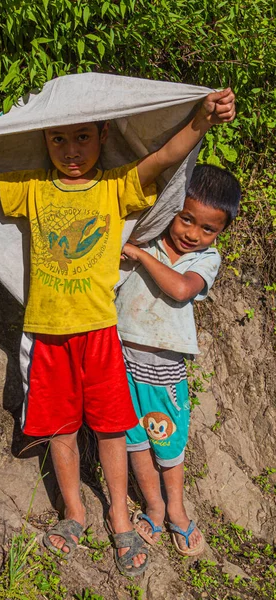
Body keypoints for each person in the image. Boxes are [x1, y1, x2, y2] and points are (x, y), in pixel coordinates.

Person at [0, 87, 235, 575]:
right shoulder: (32, 187)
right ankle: (74, 512)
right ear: (44, 140)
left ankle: (121, 518)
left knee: (111, 428)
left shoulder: (116, 186)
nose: (70, 150)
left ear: (102, 135)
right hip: (47, 334)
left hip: (101, 333)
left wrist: (203, 119)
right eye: (59, 138)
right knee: (62, 427)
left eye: (82, 137)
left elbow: (166, 156)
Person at [116, 163, 241, 557]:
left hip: (163, 371)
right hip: (123, 359)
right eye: (187, 219)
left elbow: (180, 290)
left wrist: (138, 255)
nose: (193, 234)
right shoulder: (147, 235)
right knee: (135, 441)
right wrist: (139, 246)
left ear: (220, 232)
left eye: (208, 229)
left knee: (167, 445)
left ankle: (178, 512)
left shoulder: (204, 260)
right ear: (171, 207)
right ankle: (153, 507)